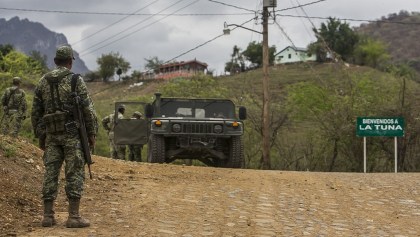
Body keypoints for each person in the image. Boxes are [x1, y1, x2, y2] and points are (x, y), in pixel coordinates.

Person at [31, 45, 98, 228]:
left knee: (50, 173)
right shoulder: (75, 80)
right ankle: (74, 217)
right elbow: (87, 109)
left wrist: (41, 136)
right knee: (74, 172)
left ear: (55, 61)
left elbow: (36, 113)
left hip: (52, 136)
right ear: (70, 62)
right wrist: (91, 133)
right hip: (72, 135)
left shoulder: (42, 81)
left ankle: (47, 216)